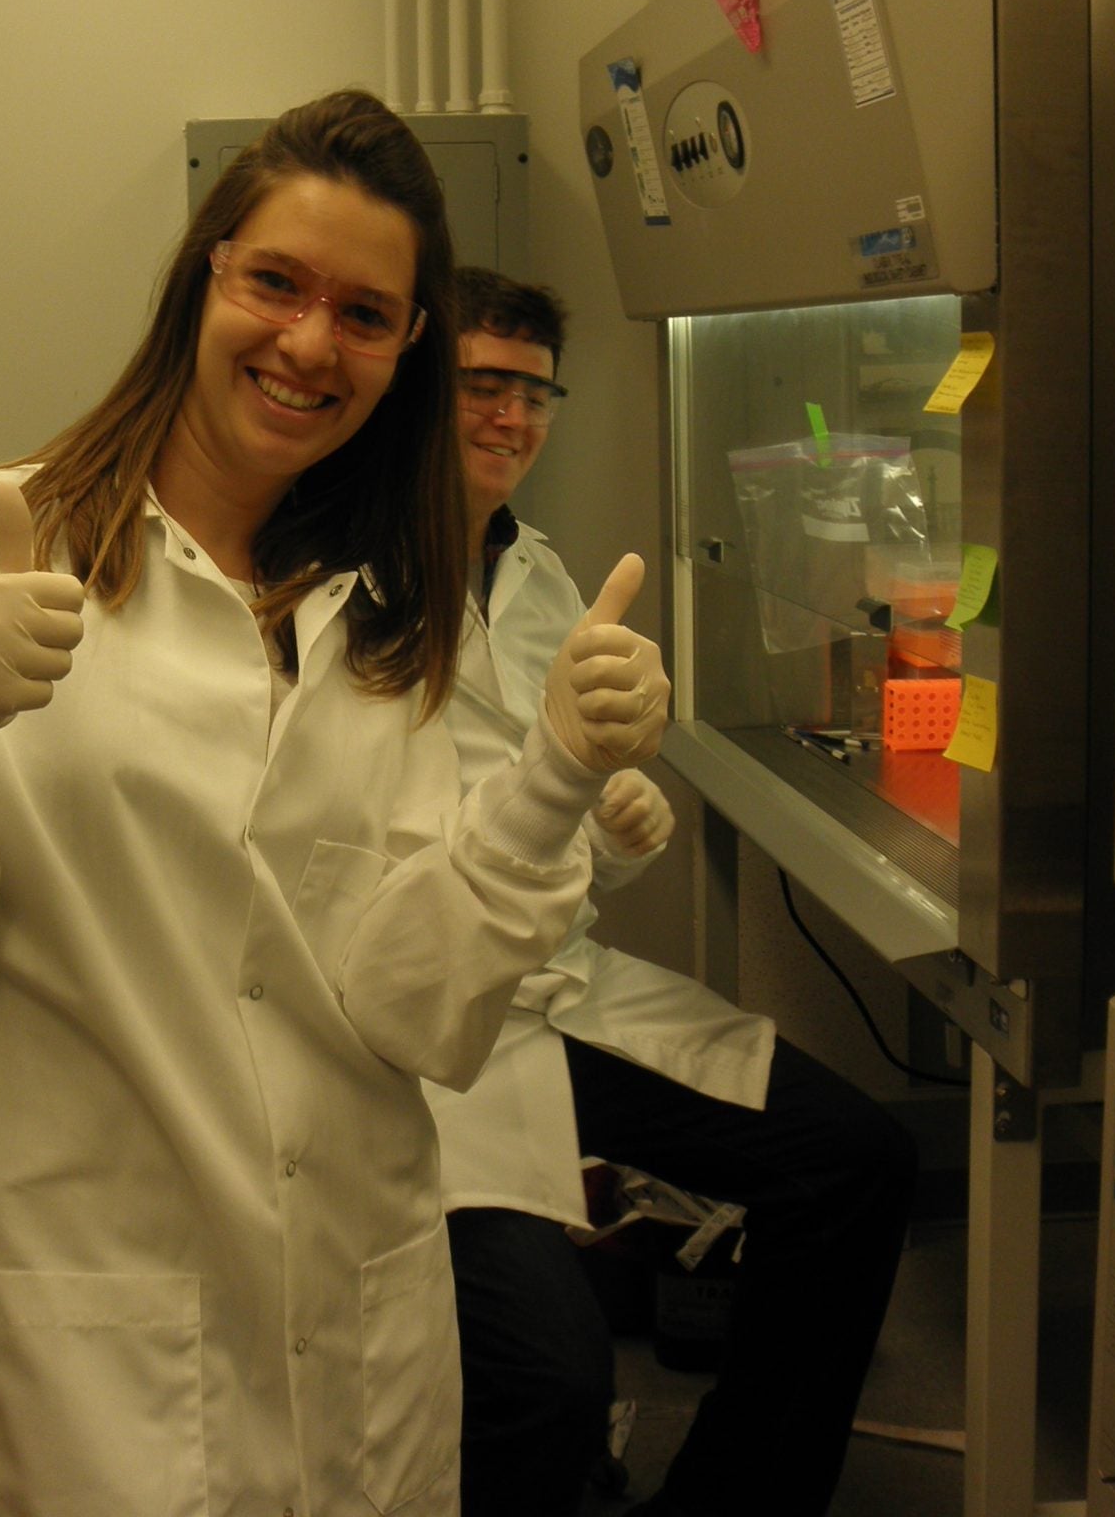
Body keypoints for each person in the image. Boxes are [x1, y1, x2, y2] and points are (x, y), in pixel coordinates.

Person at [0, 93, 672, 1517]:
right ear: (204, 274)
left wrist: (552, 779)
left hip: (361, 1339)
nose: (309, 343)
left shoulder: (399, 613)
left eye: (365, 314)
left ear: (407, 349)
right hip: (91, 1378)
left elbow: (413, 1013)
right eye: (276, 282)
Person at [430, 268, 917, 1517]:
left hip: (555, 994)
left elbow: (569, 823)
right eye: (480, 383)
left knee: (854, 1159)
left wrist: (620, 829)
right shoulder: (340, 582)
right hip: (423, 1039)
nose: (511, 417)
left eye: (535, 393)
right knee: (550, 1377)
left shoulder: (538, 578)